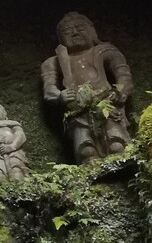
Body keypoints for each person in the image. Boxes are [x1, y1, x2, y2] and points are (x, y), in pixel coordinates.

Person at [41, 13, 133, 163]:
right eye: (67, 31)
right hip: (77, 108)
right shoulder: (52, 63)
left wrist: (120, 92)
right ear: (60, 38)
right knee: (86, 150)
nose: (75, 33)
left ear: (92, 31)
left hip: (106, 102)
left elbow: (123, 74)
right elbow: (49, 89)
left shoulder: (105, 51)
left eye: (80, 28)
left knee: (116, 144)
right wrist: (59, 96)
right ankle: (90, 167)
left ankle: (122, 162)